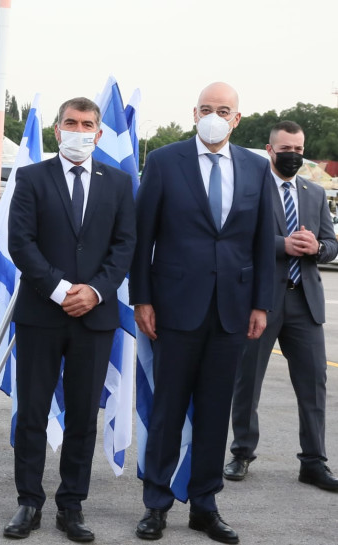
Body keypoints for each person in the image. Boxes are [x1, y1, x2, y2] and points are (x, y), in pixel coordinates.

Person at [129, 82, 274, 544]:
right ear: (194, 113)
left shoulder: (256, 166)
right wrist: (142, 298)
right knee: (168, 409)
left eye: (223, 110)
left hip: (232, 310)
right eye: (206, 108)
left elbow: (262, 242)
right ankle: (156, 504)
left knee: (215, 412)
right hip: (173, 308)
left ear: (237, 119)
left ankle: (205, 505)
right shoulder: (165, 161)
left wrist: (260, 304)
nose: (214, 115)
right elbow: (142, 236)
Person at [5, 97, 136, 542]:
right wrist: (61, 290)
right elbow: (20, 243)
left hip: (95, 316)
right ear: (57, 130)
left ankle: (71, 505)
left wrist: (95, 291)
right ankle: (28, 501)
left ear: (98, 133)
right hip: (42, 312)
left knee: (82, 414)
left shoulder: (118, 184)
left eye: (87, 124)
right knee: (33, 412)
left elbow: (125, 246)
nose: (78, 130)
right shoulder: (31, 177)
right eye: (70, 123)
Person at [224, 121, 338, 490]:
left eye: (299, 149)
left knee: (314, 384)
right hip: (261, 301)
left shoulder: (314, 193)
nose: (294, 155)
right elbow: (236, 238)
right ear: (270, 150)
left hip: (305, 302)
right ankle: (241, 452)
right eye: (286, 149)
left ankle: (314, 461)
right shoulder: (250, 190)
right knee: (248, 381)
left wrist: (317, 248)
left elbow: (331, 243)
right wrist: (281, 245)